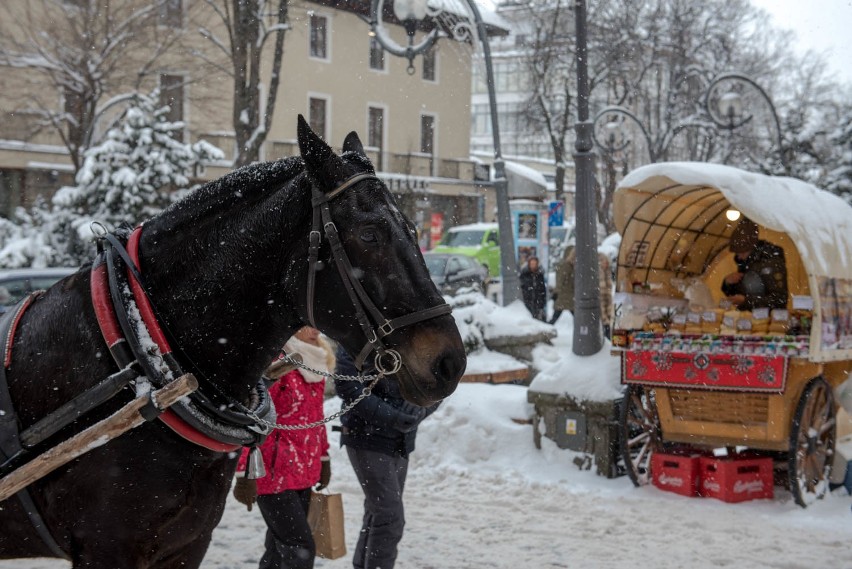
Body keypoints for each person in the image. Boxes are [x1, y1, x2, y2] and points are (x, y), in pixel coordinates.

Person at [233, 326, 335, 569]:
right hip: (272, 471)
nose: (315, 330)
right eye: (306, 324)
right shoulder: (276, 363)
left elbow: (316, 417)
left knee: (278, 549)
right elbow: (253, 418)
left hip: (305, 470)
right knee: (300, 548)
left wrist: (323, 458)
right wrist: (244, 471)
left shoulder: (316, 365)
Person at [334, 346, 439, 569]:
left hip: (402, 441)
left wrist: (420, 412)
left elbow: (440, 383)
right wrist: (393, 417)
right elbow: (348, 387)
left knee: (377, 513)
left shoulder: (415, 339)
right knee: (390, 517)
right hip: (366, 437)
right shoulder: (358, 338)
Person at [721, 217, 788, 311]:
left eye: (742, 252)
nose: (739, 257)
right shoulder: (748, 262)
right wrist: (728, 283)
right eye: (737, 253)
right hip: (750, 319)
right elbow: (742, 292)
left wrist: (746, 300)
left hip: (768, 320)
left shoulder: (772, 263)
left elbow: (779, 300)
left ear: (752, 248)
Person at [550, 245, 613, 337]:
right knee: (581, 318)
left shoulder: (575, 265)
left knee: (580, 318)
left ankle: (586, 335)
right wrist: (557, 292)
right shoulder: (568, 266)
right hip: (572, 296)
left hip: (574, 296)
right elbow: (562, 281)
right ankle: (585, 335)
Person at [519, 256, 547, 321]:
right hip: (527, 301)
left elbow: (543, 289)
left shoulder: (540, 275)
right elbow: (522, 287)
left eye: (535, 264)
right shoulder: (524, 274)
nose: (533, 266)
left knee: (538, 319)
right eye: (532, 264)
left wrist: (542, 301)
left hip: (538, 301)